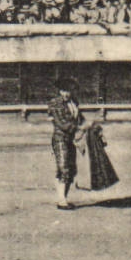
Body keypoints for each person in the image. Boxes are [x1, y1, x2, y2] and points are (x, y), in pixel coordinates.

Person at [49, 78, 85, 209]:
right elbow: (61, 123)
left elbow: (80, 118)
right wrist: (79, 129)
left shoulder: (74, 102)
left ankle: (63, 198)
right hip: (60, 139)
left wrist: (87, 125)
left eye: (68, 91)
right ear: (59, 91)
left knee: (71, 169)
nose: (66, 93)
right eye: (63, 90)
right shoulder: (55, 103)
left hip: (71, 139)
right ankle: (61, 200)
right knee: (64, 168)